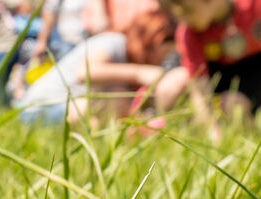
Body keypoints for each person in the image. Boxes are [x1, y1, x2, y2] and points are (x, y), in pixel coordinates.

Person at [12, 11, 173, 126]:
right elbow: (84, 72)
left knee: (114, 104)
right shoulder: (114, 42)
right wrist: (139, 73)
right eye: (164, 52)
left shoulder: (124, 55)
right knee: (115, 99)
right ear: (152, 41)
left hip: (59, 111)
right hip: (36, 110)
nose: (163, 59)